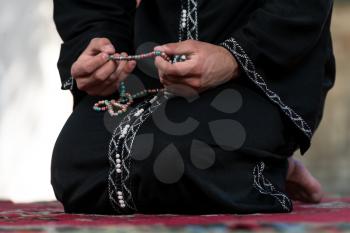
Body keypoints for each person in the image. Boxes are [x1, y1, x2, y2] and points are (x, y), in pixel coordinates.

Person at [51, 0, 334, 214]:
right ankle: (255, 166)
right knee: (78, 165)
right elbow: (90, 7)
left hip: (256, 69)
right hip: (148, 70)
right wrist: (99, 44)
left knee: (187, 160)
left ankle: (264, 165)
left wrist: (232, 57)